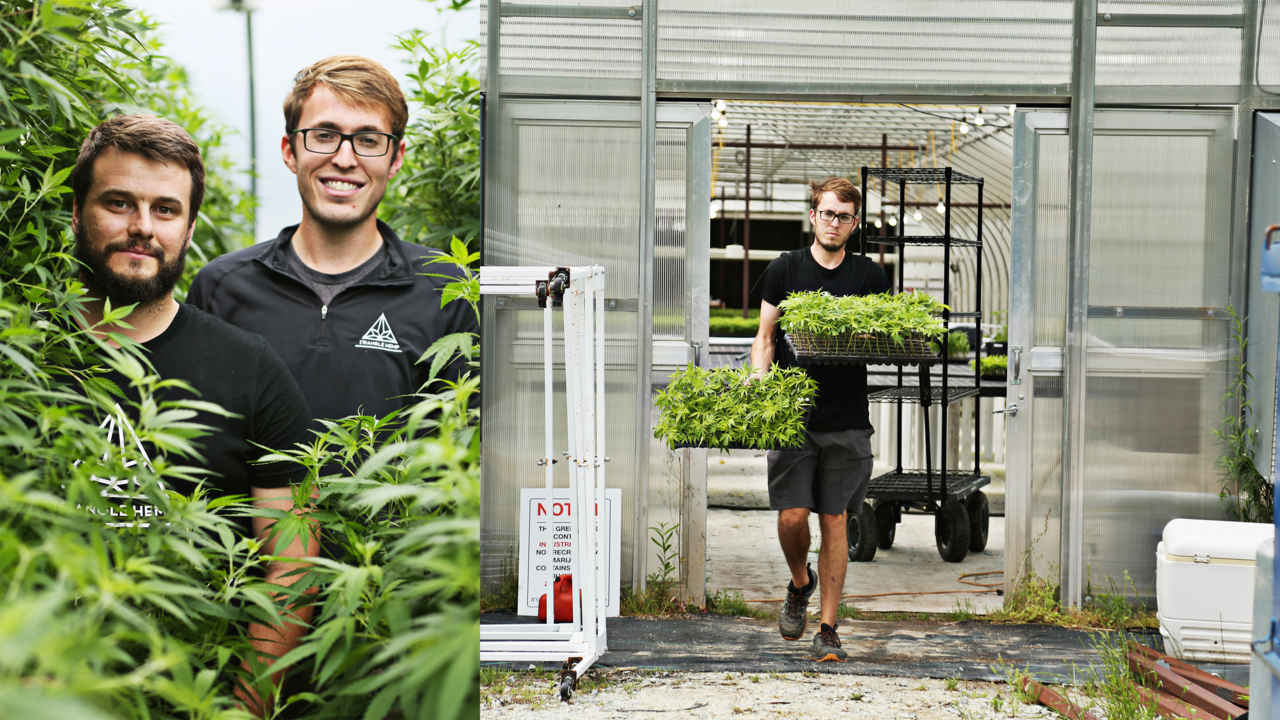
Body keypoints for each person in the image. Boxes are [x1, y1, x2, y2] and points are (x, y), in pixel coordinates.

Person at [69, 114, 316, 715]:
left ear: (189, 225)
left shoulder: (251, 371)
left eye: (165, 209)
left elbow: (292, 571)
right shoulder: (22, 356)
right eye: (118, 203)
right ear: (75, 212)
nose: (141, 228)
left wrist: (242, 709)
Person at [187, 55, 478, 424]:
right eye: (324, 135)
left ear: (395, 158)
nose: (344, 159)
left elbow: (471, 448)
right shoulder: (221, 288)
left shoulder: (449, 290)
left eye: (369, 140)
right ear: (290, 151)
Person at [748, 176, 891, 662]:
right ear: (813, 215)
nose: (834, 223)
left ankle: (828, 628)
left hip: (847, 418)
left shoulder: (870, 278)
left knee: (834, 519)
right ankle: (799, 582)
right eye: (827, 213)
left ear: (854, 223)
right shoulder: (784, 270)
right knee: (791, 517)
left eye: (844, 216)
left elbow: (883, 337)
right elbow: (765, 337)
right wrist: (758, 384)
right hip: (793, 416)